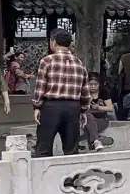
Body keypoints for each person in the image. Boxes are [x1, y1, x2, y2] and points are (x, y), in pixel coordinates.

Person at [32, 29, 90, 157]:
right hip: (73, 107)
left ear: (53, 42)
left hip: (51, 106)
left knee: (43, 148)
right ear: (69, 44)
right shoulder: (79, 63)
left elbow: (40, 86)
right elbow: (85, 90)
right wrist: (84, 110)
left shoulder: (47, 61)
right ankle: (71, 176)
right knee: (71, 149)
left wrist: (37, 106)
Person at [83, 74, 115, 151]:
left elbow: (110, 108)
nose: (93, 86)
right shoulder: (83, 93)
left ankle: (93, 144)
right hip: (86, 120)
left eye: (95, 84)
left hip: (101, 120)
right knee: (88, 117)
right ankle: (96, 142)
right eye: (90, 84)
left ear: (99, 84)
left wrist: (98, 107)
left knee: (89, 127)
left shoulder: (103, 92)